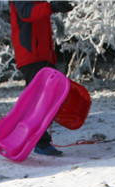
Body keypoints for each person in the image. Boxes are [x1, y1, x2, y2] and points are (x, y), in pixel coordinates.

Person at [10, 1, 73, 156]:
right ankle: (37, 141)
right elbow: (28, 13)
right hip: (31, 56)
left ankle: (38, 140)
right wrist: (52, 7)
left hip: (43, 55)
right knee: (39, 101)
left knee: (52, 97)